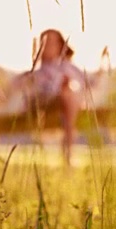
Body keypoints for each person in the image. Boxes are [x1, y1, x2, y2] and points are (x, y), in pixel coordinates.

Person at [14, 28, 88, 165]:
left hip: (64, 104)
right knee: (67, 95)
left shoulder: (67, 67)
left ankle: (68, 152)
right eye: (45, 43)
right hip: (40, 104)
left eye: (52, 43)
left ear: (61, 46)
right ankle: (67, 150)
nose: (48, 46)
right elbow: (15, 85)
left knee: (68, 93)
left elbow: (88, 82)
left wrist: (103, 65)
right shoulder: (36, 72)